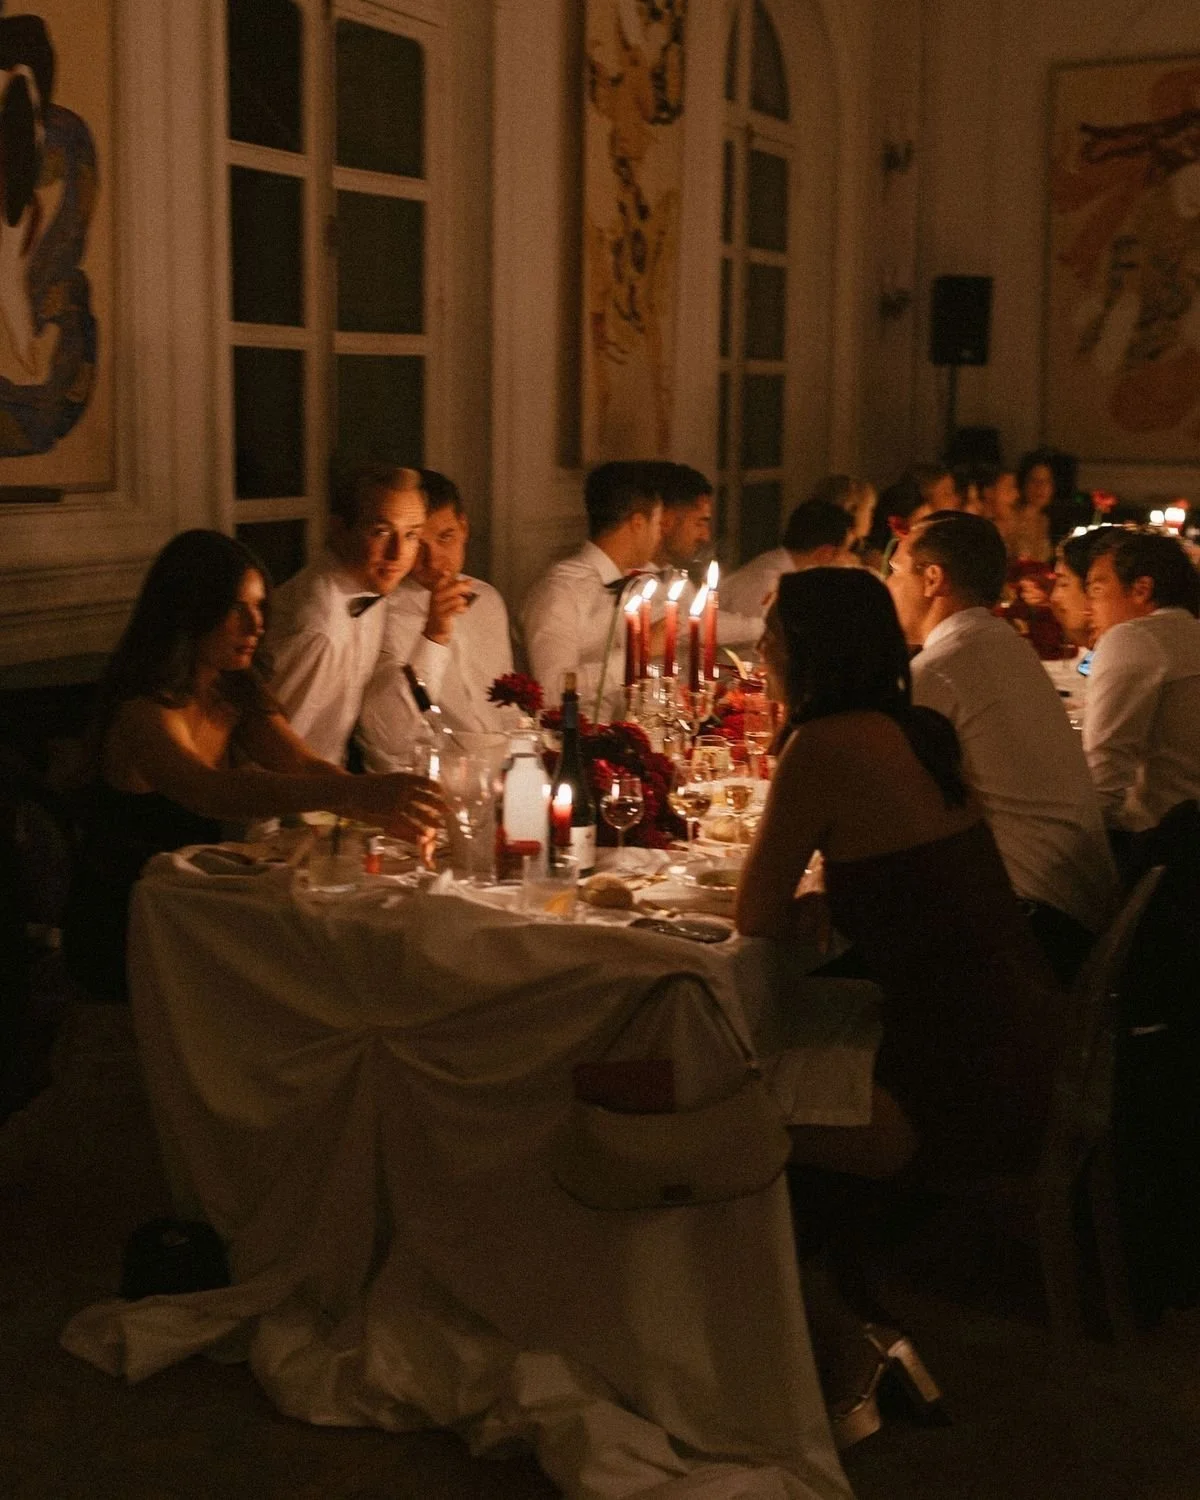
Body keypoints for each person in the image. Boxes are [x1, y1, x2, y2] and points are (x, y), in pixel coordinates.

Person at [735, 569, 1063, 1442]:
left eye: (772, 641)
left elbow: (753, 915)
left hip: (957, 1093)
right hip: (1016, 1042)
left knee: (721, 1110)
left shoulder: (826, 746)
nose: (761, 655)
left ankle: (819, 1345)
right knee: (781, 1047)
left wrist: (811, 901)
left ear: (801, 653)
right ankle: (838, 1317)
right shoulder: (916, 731)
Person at [63, 530, 443, 1001]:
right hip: (128, 917)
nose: (257, 624)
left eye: (261, 606)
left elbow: (302, 764)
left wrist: (379, 807)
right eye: (237, 609)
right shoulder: (144, 711)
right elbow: (210, 790)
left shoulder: (232, 687)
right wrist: (352, 796)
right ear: (190, 613)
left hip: (194, 903)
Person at [888, 511, 1116, 982]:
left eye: (895, 572)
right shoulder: (999, 643)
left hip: (1035, 932)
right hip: (1080, 909)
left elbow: (889, 806)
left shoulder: (941, 669)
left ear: (932, 579)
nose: (888, 587)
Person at [262, 464, 428, 764]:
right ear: (338, 530)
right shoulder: (321, 629)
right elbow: (272, 753)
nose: (398, 553)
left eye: (412, 535)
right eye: (381, 531)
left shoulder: (370, 589)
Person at [357, 471, 514, 766]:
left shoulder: (488, 600)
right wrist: (434, 635)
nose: (435, 560)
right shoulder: (380, 614)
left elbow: (504, 707)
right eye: (419, 544)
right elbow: (388, 735)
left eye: (446, 537)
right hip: (420, 778)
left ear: (464, 527)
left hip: (499, 768)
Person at [520, 461, 662, 719]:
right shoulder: (560, 592)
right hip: (574, 746)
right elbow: (550, 692)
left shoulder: (640, 584)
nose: (659, 537)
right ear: (638, 524)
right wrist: (638, 654)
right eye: (658, 525)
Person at [1082, 531, 1200, 842]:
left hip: (1155, 844)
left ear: (1141, 589)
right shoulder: (1189, 633)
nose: (1088, 606)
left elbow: (1103, 775)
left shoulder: (1135, 638)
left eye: (1096, 589)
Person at [720, 499, 857, 647]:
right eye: (845, 552)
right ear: (825, 553)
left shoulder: (788, 572)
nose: (849, 560)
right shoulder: (770, 581)